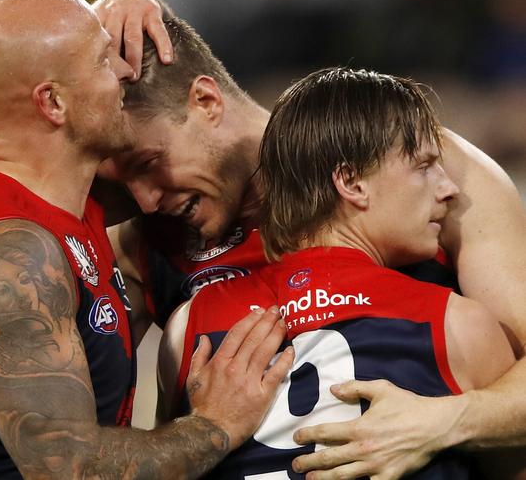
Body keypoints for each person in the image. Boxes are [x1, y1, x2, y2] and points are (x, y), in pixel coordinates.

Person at [0, 0, 526, 477]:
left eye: (146, 165)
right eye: (122, 183)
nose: (143, 199)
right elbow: (2, 378)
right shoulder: (149, 241)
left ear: (207, 101)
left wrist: (441, 421)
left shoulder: (415, 164)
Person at [0, 0, 295, 478]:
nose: (120, 70)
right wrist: (216, 424)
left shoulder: (65, 210)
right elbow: (69, 469)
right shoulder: (16, 248)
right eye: (101, 59)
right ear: (53, 102)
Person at [157, 67, 521, 479]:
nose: (449, 187)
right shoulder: (458, 326)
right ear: (351, 182)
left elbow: (165, 462)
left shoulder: (187, 328)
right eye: (424, 166)